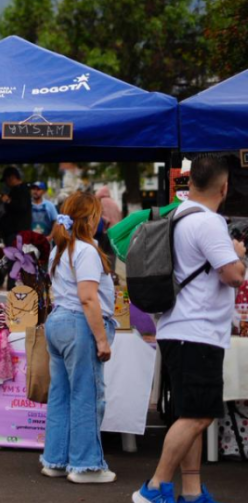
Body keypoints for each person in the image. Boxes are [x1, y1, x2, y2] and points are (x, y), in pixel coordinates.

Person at [135, 155, 245, 503]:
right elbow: (233, 275)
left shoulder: (180, 216)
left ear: (191, 181)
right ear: (224, 187)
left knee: (189, 413)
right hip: (197, 332)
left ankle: (193, 492)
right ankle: (154, 488)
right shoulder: (210, 223)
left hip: (176, 328)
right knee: (199, 415)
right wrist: (238, 253)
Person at [38, 192, 117, 484]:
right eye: (98, 215)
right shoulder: (86, 250)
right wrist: (102, 339)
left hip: (59, 322)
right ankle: (86, 465)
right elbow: (88, 298)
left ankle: (56, 460)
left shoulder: (60, 249)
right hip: (79, 325)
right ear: (91, 219)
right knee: (87, 395)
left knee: (61, 394)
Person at [0, 166, 32, 246]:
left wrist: (8, 201)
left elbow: (21, 206)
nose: (6, 184)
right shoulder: (14, 190)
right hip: (11, 233)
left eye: (6, 180)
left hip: (18, 233)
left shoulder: (23, 190)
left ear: (12, 177)